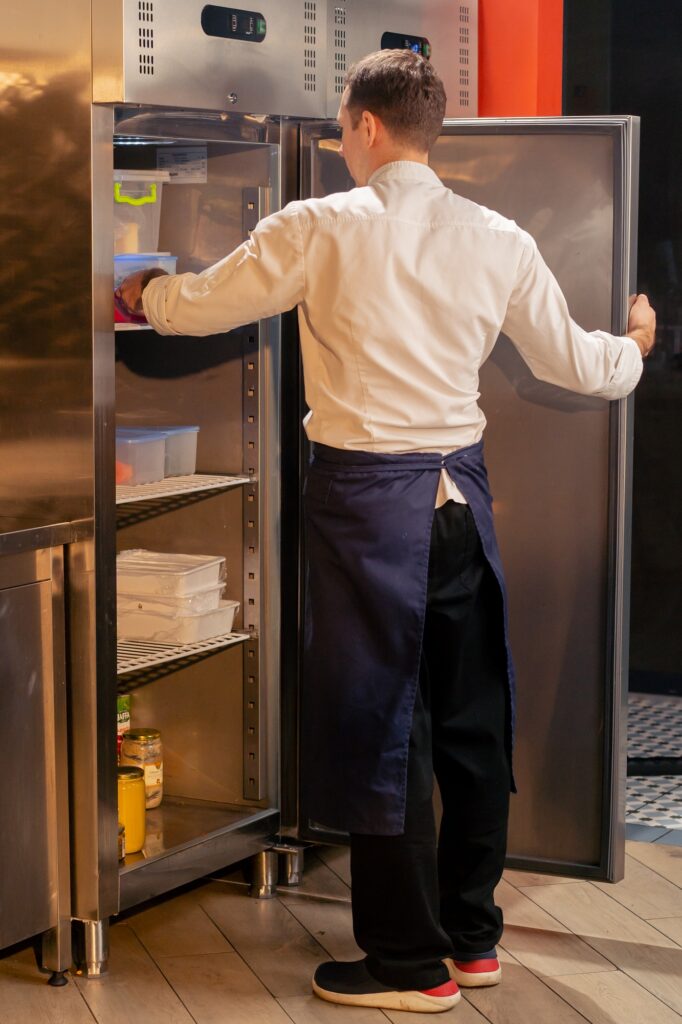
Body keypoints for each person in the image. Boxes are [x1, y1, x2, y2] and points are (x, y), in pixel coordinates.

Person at [118, 50, 656, 1016]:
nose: (336, 140)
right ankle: (472, 937)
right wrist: (636, 346)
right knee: (470, 722)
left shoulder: (318, 225)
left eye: (338, 126)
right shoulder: (497, 234)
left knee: (384, 730)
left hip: (368, 506)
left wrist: (143, 292)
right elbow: (581, 363)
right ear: (429, 128)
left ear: (365, 126)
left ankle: (408, 965)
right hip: (461, 507)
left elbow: (203, 306)